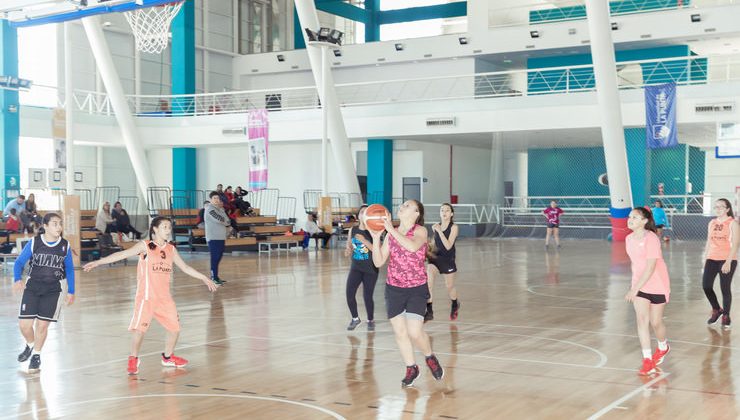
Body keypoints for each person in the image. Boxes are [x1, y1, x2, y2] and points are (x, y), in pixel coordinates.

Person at [83, 217, 218, 375]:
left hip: (164, 298)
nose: (168, 230)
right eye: (165, 227)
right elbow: (123, 254)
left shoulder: (171, 249)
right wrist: (99, 262)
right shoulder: (145, 246)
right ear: (155, 229)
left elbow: (185, 267)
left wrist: (203, 277)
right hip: (146, 297)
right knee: (139, 330)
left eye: (169, 227)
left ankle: (167, 357)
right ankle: (133, 358)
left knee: (174, 328)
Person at [370, 199, 444, 387]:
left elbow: (411, 247)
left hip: (416, 289)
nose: (402, 206)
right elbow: (378, 262)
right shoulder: (390, 235)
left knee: (415, 331)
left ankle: (429, 356)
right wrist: (376, 237)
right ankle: (411, 367)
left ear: (416, 213)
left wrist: (391, 230)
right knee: (400, 332)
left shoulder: (420, 231)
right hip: (394, 288)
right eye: (402, 204)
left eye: (407, 205)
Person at [13, 213, 75, 373]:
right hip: (33, 287)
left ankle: (36, 356)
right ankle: (30, 345)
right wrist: (17, 278)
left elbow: (69, 269)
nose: (59, 227)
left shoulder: (65, 246)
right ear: (45, 226)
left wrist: (71, 291)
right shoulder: (35, 242)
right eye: (55, 224)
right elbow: (19, 262)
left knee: (42, 325)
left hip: (53, 290)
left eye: (60, 224)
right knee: (24, 325)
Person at [624, 207, 671, 376]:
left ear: (644, 221)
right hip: (640, 285)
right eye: (630, 217)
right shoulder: (629, 239)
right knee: (641, 321)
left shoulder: (651, 239)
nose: (630, 220)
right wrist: (634, 286)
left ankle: (663, 346)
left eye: (635, 217)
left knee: (655, 322)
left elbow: (651, 267)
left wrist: (634, 289)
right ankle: (647, 360)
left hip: (658, 284)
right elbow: (635, 264)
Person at [702, 198, 740, 329]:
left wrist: (728, 262)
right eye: (716, 206)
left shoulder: (733, 224)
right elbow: (708, 241)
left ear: (727, 209)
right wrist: (705, 258)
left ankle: (726, 315)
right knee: (706, 286)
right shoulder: (711, 222)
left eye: (721, 207)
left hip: (727, 259)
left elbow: (735, 244)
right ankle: (717, 309)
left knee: (725, 288)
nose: (718, 209)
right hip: (712, 258)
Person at [344, 206, 378, 331]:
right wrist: (348, 250)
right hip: (356, 267)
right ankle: (355, 318)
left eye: (366, 212)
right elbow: (349, 245)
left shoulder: (374, 230)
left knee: (367, 296)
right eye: (361, 212)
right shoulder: (352, 229)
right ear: (358, 216)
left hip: (370, 268)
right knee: (349, 294)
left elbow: (377, 250)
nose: (363, 214)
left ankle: (370, 319)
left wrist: (364, 241)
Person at [425, 203, 460, 322]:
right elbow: (435, 244)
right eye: (442, 210)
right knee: (428, 282)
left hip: (448, 260)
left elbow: (448, 246)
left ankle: (455, 304)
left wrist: (439, 231)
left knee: (449, 286)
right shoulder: (435, 226)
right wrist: (428, 248)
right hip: (435, 259)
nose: (444, 212)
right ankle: (429, 311)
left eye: (447, 210)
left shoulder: (454, 227)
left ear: (451, 214)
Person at [205, 192, 231, 285]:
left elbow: (228, 221)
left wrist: (223, 212)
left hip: (221, 237)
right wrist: (225, 221)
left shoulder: (220, 209)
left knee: (219, 257)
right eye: (215, 198)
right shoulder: (209, 209)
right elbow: (219, 219)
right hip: (213, 237)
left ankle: (216, 276)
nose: (217, 200)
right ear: (211, 199)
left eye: (218, 198)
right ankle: (213, 277)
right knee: (215, 258)